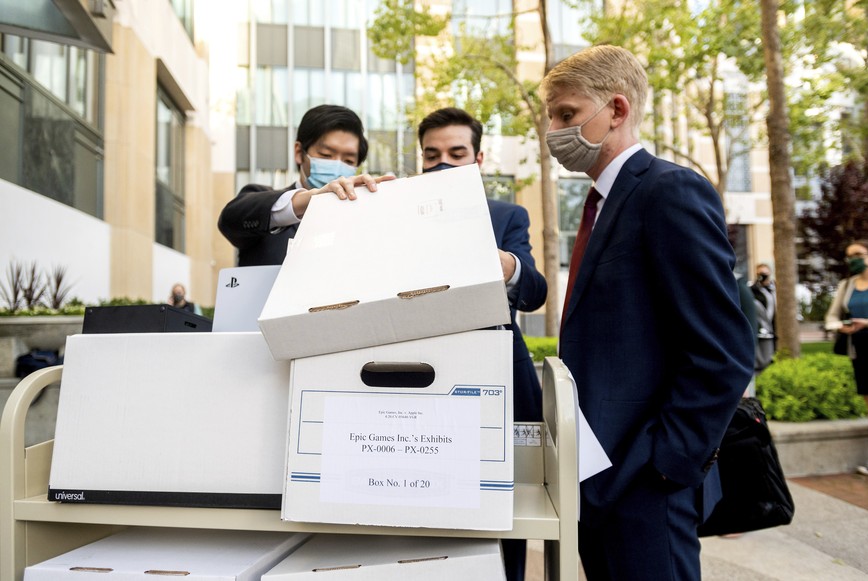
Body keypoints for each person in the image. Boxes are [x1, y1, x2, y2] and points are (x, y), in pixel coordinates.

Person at [541, 45, 754, 580]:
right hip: (598, 482)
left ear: (616, 109)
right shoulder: (599, 203)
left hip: (646, 488)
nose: (553, 131)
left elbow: (724, 351)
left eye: (566, 114)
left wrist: (663, 467)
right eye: (551, 117)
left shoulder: (669, 191)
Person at [418, 107, 548, 581]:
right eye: (431, 155)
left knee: (501, 512)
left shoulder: (507, 215)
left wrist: (505, 264)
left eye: (456, 153)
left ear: (478, 159)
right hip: (419, 384)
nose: (442, 164)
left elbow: (534, 291)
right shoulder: (396, 213)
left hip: (497, 383)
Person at [218, 104, 392, 266]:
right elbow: (230, 219)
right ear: (299, 153)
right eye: (326, 155)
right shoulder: (264, 201)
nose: (337, 166)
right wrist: (313, 198)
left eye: (348, 160)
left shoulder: (364, 221)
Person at [825, 239, 868, 477]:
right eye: (849, 255)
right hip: (862, 350)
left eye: (857, 254)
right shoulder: (847, 286)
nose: (852, 259)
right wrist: (841, 326)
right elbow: (831, 317)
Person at [750, 263, 777, 373]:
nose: (763, 276)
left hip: (774, 327)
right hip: (762, 330)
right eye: (760, 274)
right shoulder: (753, 290)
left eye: (765, 273)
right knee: (762, 360)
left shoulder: (774, 289)